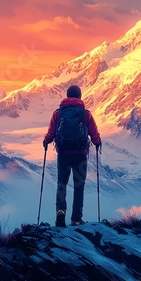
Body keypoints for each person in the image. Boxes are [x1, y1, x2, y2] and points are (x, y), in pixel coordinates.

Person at [43, 85, 101, 227]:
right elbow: (94, 134)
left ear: (67, 96)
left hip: (63, 154)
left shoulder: (58, 113)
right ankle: (76, 219)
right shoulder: (86, 114)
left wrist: (46, 141)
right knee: (79, 186)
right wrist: (98, 142)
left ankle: (60, 215)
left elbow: (51, 133)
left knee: (61, 184)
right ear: (80, 97)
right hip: (80, 156)